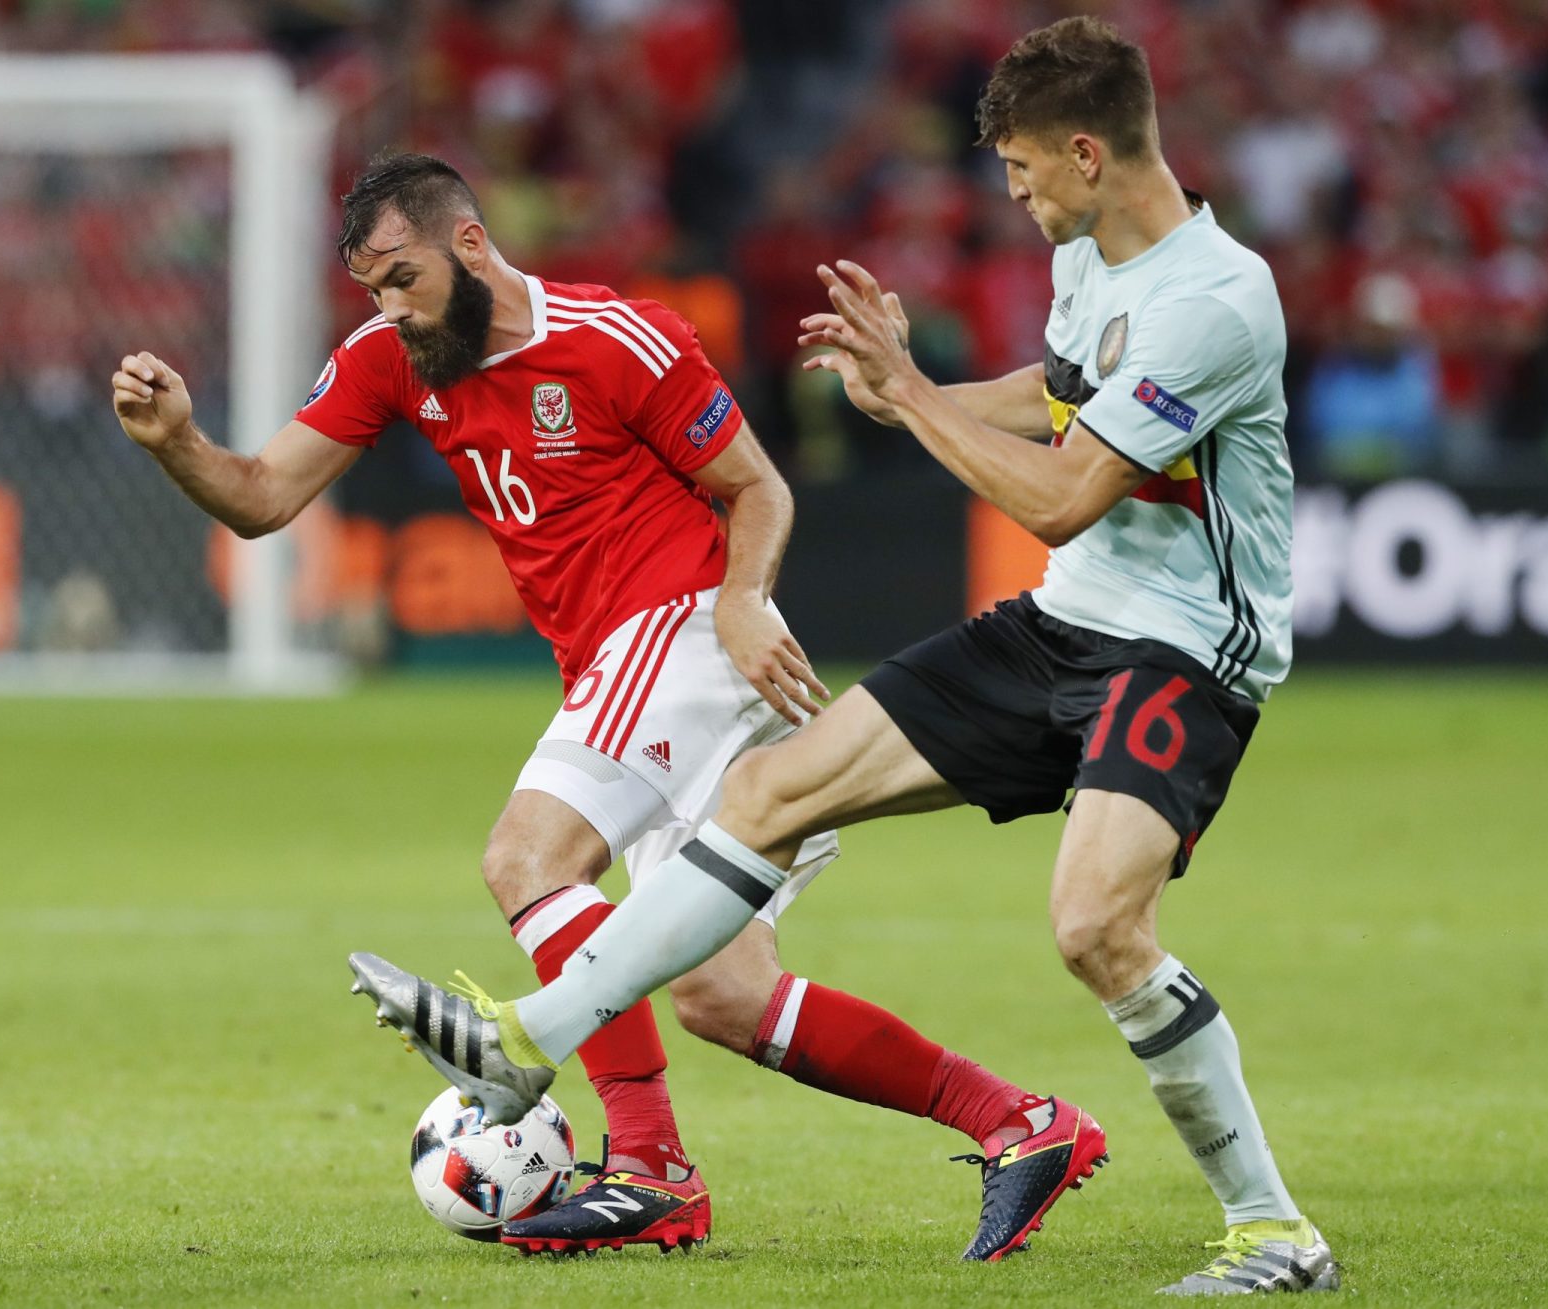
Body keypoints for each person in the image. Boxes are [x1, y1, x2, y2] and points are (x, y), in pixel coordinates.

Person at [352, 19, 1340, 1296]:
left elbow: (1064, 492)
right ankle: (529, 1037)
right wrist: (913, 380)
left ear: (1089, 154)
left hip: (1182, 651)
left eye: (1027, 168)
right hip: (1062, 624)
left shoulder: (1214, 299)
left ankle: (1275, 1235)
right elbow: (1057, 392)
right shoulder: (1093, 257)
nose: (1014, 191)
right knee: (769, 793)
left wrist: (913, 406)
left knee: (1096, 924)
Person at [123, 153, 1103, 1259]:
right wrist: (179, 447)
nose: (389, 308)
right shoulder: (392, 360)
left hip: (688, 631)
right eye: (371, 291)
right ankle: (1021, 1123)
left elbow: (759, 486)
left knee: (529, 859)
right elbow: (260, 496)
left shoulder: (613, 339)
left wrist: (741, 598)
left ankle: (648, 1168)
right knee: (722, 995)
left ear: (471, 248)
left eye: (402, 278)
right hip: (637, 671)